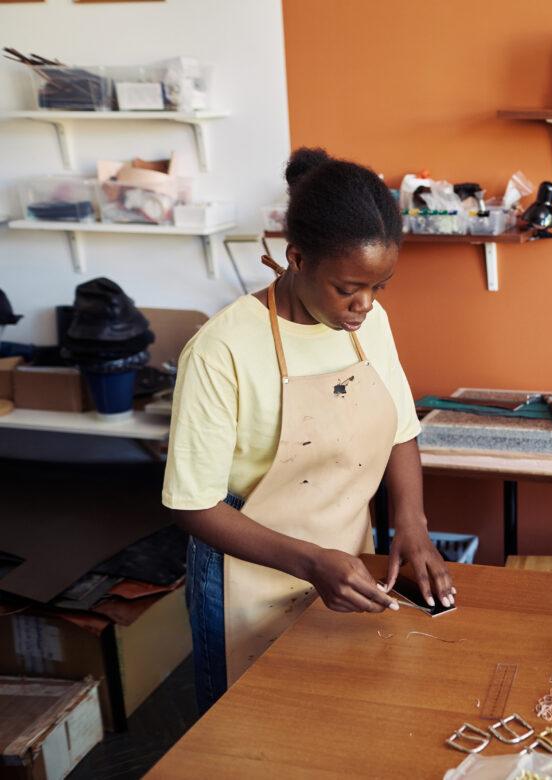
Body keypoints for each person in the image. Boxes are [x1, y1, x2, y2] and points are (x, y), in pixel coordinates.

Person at [162, 148, 455, 713]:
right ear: (296, 258)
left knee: (343, 718)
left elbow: (399, 427)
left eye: (380, 288)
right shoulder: (222, 349)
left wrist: (411, 525)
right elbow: (192, 505)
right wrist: (312, 562)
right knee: (250, 734)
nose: (364, 305)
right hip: (249, 580)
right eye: (348, 287)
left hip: (349, 565)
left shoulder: (371, 324)